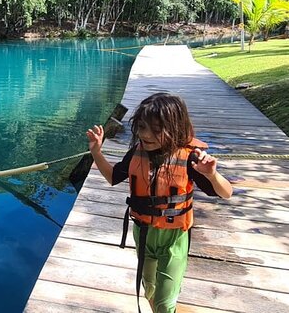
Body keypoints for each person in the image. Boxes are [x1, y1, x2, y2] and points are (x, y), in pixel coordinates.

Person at [86, 93, 233, 313]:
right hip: (143, 232)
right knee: (150, 290)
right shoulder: (137, 152)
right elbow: (112, 177)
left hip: (174, 238)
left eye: (155, 129)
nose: (145, 134)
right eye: (142, 127)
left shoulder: (190, 158)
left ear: (174, 128)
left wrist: (212, 175)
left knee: (165, 302)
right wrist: (96, 152)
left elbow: (226, 193)